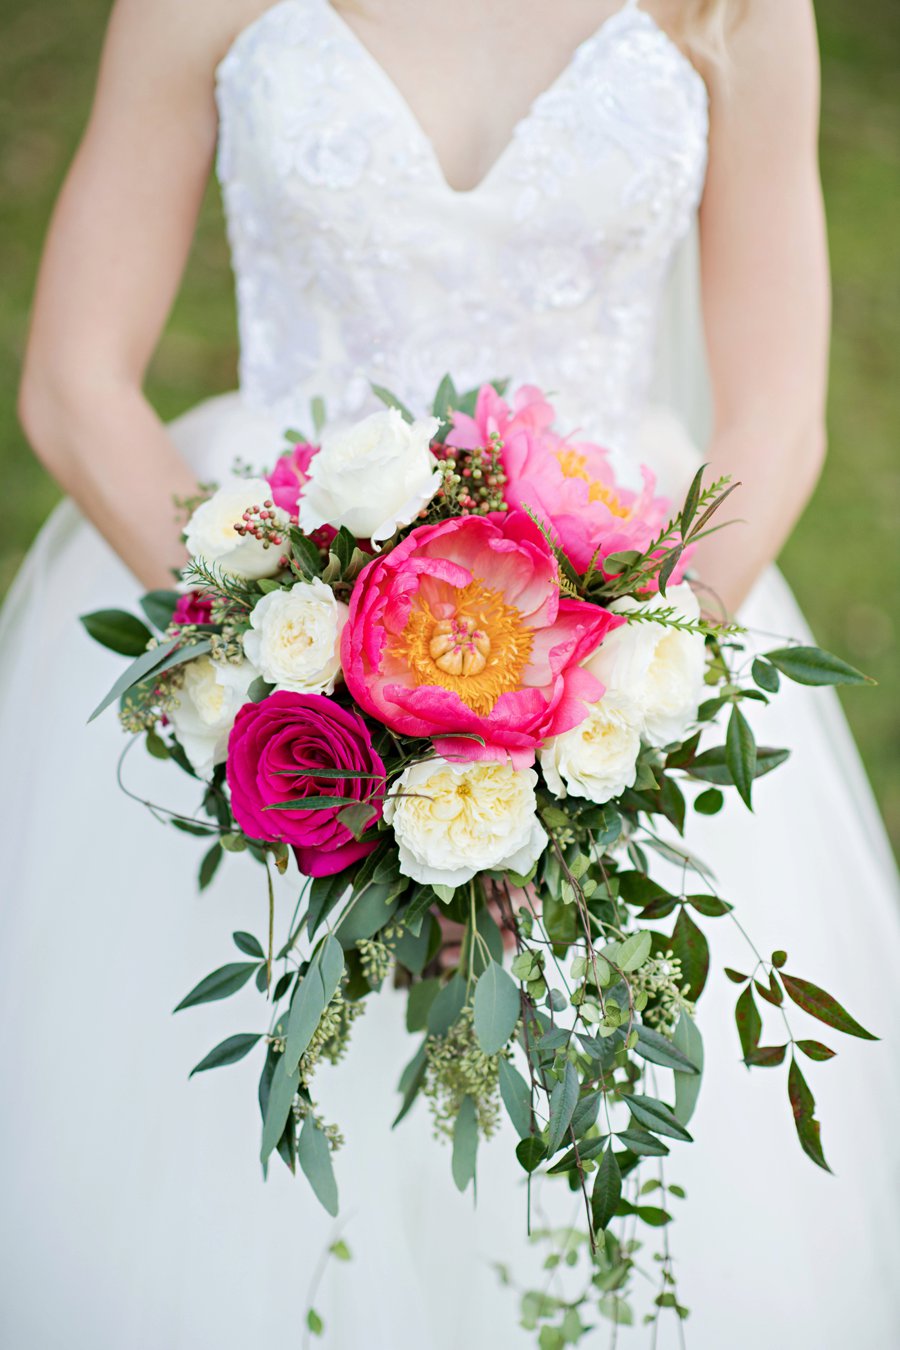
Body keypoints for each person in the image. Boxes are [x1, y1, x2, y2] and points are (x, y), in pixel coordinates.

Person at [2, 0, 898, 1345]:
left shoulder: (738, 8)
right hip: (278, 634)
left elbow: (779, 412)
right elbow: (74, 381)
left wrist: (615, 687)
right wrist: (277, 660)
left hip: (626, 625)